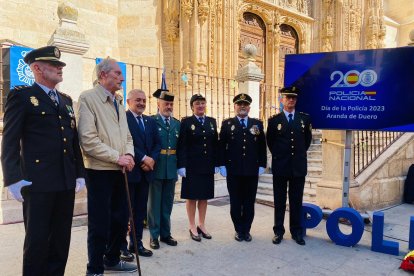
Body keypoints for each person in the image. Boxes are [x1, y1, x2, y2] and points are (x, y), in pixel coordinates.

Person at [1, 46, 85, 276]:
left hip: (65, 181)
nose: (60, 68)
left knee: (60, 241)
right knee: (37, 242)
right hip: (37, 183)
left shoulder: (66, 100)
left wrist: (79, 172)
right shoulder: (22, 97)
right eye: (54, 65)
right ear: (37, 68)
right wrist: (13, 178)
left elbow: (72, 140)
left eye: (60, 65)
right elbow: (9, 140)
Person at [77, 57, 137, 274]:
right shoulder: (88, 98)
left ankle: (111, 259)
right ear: (103, 75)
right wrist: (117, 157)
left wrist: (129, 155)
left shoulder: (118, 102)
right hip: (99, 171)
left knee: (121, 220)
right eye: (117, 73)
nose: (122, 78)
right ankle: (94, 267)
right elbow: (88, 140)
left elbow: (127, 136)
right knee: (99, 222)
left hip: (120, 170)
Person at [266, 86, 312, 246]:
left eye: (293, 98)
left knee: (296, 200)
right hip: (280, 166)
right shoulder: (274, 121)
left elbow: (306, 141)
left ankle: (296, 232)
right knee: (279, 200)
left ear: (296, 100)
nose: (291, 100)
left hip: (298, 167)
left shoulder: (304, 119)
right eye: (288, 97)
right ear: (282, 99)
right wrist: (281, 156)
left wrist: (296, 156)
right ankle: (278, 231)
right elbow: (270, 142)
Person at [218, 93, 267, 242]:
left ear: (249, 107)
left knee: (249, 202)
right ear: (235, 107)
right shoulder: (227, 124)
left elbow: (261, 146)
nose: (242, 107)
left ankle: (247, 230)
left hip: (252, 171)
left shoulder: (256, 124)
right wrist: (222, 164)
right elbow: (221, 147)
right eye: (239, 104)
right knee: (235, 202)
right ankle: (238, 230)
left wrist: (262, 164)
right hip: (233, 170)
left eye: (245, 104)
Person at [121, 89, 161, 259]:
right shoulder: (123, 118)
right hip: (129, 172)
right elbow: (124, 141)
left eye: (144, 100)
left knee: (139, 212)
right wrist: (144, 158)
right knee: (124, 211)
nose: (142, 103)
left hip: (146, 173)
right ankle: (121, 246)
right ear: (128, 101)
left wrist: (152, 159)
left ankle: (136, 244)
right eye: (138, 100)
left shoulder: (150, 121)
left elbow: (158, 143)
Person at [177, 94, 219, 242]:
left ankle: (201, 224)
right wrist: (181, 165)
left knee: (204, 196)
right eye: (197, 103)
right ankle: (192, 225)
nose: (200, 105)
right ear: (192, 106)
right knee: (192, 197)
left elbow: (215, 145)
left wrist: (216, 163)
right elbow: (182, 145)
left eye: (202, 103)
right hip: (191, 166)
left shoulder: (212, 122)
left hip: (207, 166)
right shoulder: (187, 122)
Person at [147, 86, 180, 249]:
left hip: (171, 168)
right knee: (154, 204)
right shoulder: (152, 121)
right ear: (158, 104)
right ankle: (154, 235)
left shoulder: (176, 123)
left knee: (167, 203)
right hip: (156, 167)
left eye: (171, 104)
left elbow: (180, 147)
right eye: (166, 104)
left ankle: (166, 234)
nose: (169, 107)